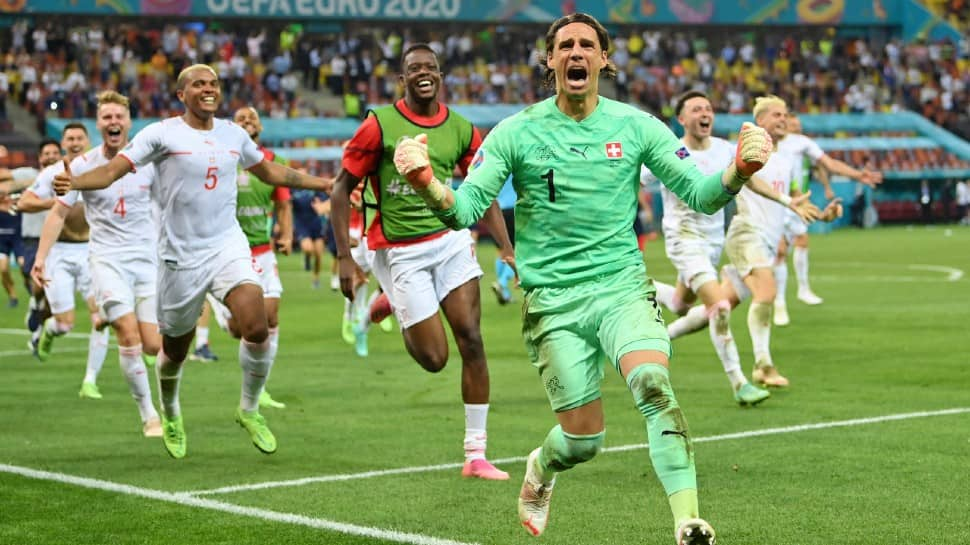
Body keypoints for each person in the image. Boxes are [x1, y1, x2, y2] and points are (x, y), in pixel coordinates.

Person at [391, 14, 774, 544]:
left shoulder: (637, 126)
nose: (576, 53)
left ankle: (687, 521)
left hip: (621, 289)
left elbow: (702, 194)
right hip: (553, 303)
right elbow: (465, 211)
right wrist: (427, 182)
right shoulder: (516, 131)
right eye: (565, 45)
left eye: (587, 45)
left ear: (603, 59)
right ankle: (541, 468)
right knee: (584, 440)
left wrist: (739, 171)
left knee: (653, 384)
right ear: (550, 60)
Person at [53, 64, 332, 459]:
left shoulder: (233, 134)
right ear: (181, 94)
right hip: (179, 256)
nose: (208, 89)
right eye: (198, 84)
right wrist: (76, 182)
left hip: (226, 245)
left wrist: (323, 183)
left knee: (256, 325)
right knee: (174, 351)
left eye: (213, 83)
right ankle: (169, 411)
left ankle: (249, 409)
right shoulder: (161, 133)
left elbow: (268, 170)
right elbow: (114, 170)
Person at [330, 43, 515, 481]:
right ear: (403, 79)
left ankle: (476, 454)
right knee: (435, 358)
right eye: (414, 69)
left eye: (430, 67)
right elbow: (341, 189)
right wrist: (343, 257)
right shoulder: (379, 125)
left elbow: (481, 189)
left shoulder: (463, 130)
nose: (423, 73)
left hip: (451, 241)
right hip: (400, 252)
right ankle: (393, 299)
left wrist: (506, 246)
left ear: (440, 74)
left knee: (472, 339)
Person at [645, 91, 817, 406]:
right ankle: (740, 382)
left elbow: (749, 180)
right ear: (682, 119)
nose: (704, 113)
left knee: (682, 304)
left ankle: (639, 288)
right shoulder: (669, 151)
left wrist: (787, 201)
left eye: (708, 108)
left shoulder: (725, 149)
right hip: (683, 239)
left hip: (713, 242)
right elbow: (635, 179)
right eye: (696, 109)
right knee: (719, 308)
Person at [31, 91, 163, 436]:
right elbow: (58, 211)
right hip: (105, 259)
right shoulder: (81, 166)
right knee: (127, 332)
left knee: (153, 345)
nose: (113, 122)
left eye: (119, 116)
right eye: (107, 117)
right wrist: (40, 258)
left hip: (147, 260)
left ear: (129, 121)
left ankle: (160, 402)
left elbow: (171, 205)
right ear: (99, 124)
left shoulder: (148, 161)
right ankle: (149, 415)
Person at [19, 125, 110, 393]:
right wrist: (58, 203)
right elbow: (25, 202)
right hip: (60, 251)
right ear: (63, 143)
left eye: (79, 137)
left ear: (88, 140)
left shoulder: (102, 169)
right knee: (65, 323)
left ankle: (90, 380)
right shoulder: (52, 173)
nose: (75, 142)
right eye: (69, 138)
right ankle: (50, 329)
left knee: (100, 316)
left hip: (92, 251)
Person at [772, 113, 882, 325]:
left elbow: (826, 164)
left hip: (798, 199)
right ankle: (779, 302)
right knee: (780, 251)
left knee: (802, 241)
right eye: (792, 123)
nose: (796, 127)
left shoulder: (802, 143)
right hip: (775, 200)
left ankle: (803, 289)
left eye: (798, 124)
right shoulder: (766, 144)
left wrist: (856, 175)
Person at [3, 140, 61, 340]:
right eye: (47, 153)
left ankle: (38, 328)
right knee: (38, 281)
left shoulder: (68, 178)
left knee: (54, 296)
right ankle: (36, 304)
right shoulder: (29, 174)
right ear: (39, 157)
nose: (51, 156)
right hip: (32, 238)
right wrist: (22, 186)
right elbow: (6, 178)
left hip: (60, 240)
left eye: (55, 152)